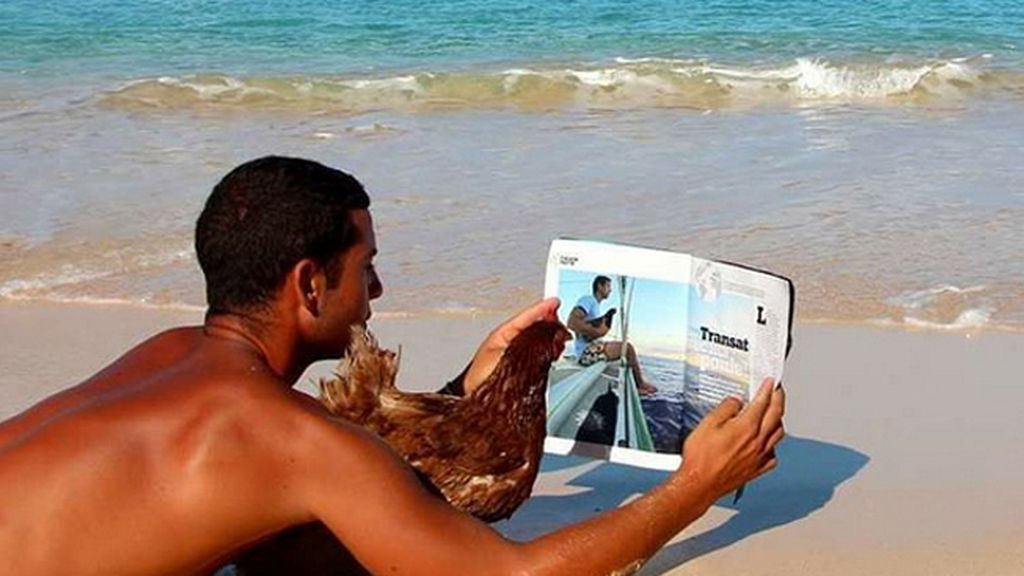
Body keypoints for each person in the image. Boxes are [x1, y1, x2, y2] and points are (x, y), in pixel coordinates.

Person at [0, 156, 785, 575]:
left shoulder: (169, 353)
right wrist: (695, 487)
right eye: (365, 266)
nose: (376, 289)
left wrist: (469, 391)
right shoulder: (287, 441)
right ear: (310, 283)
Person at [567, 275, 658, 395]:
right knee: (628, 349)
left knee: (625, 349)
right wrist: (598, 332)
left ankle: (639, 383)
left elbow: (585, 327)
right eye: (608, 286)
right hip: (586, 353)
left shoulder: (595, 305)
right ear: (600, 286)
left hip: (591, 349)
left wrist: (595, 331)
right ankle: (639, 385)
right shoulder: (588, 300)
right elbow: (572, 322)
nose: (610, 290)